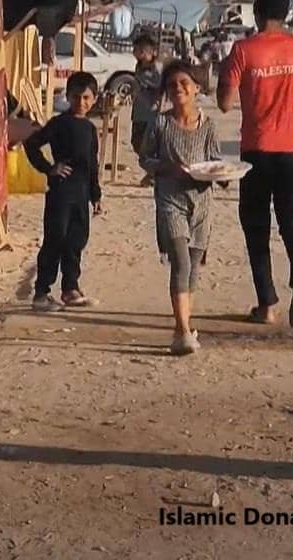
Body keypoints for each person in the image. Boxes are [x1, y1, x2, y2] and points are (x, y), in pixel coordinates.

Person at [217, 0, 293, 329]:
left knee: (256, 226)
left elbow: (224, 103)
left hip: (257, 151)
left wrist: (225, 74)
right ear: (287, 12)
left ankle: (267, 304)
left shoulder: (243, 50)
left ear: (257, 11)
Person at [138, 61, 221, 355]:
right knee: (181, 263)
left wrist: (220, 176)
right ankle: (183, 331)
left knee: (194, 268)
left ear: (197, 87)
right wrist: (166, 167)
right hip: (169, 200)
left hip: (202, 204)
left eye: (184, 83)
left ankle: (184, 324)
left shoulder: (208, 125)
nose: (178, 89)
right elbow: (144, 159)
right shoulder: (160, 123)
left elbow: (215, 161)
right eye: (172, 85)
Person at [24, 72, 104, 312]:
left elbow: (92, 164)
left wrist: (96, 195)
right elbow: (32, 144)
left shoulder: (90, 129)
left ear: (94, 99)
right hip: (61, 192)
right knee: (55, 240)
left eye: (87, 97)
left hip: (81, 194)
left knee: (76, 241)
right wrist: (50, 169)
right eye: (76, 97)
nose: (81, 102)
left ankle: (70, 288)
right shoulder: (59, 124)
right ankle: (41, 292)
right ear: (68, 97)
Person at [130, 34, 163, 186]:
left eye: (139, 49)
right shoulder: (139, 66)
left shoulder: (156, 69)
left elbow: (159, 88)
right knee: (136, 143)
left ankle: (154, 174)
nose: (136, 52)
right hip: (139, 112)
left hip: (150, 114)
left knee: (146, 147)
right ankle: (153, 173)